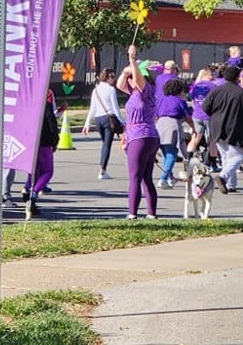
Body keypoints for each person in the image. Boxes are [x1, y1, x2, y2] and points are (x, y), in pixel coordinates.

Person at [115, 45, 160, 220]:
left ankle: (132, 213)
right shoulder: (135, 92)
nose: (130, 81)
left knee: (135, 177)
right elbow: (119, 84)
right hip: (148, 136)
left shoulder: (144, 90)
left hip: (140, 136)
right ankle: (151, 213)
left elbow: (140, 81)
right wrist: (126, 72)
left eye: (132, 78)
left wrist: (132, 61)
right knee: (145, 177)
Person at [203, 64, 243, 194]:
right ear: (236, 78)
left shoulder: (216, 91)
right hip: (235, 127)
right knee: (239, 156)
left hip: (217, 127)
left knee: (226, 157)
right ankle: (223, 177)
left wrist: (216, 114)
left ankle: (230, 184)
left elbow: (205, 106)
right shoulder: (242, 93)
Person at [82, 68, 124, 180]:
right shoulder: (111, 90)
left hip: (98, 119)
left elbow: (92, 108)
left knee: (105, 144)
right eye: (111, 77)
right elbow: (115, 108)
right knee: (107, 145)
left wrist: (87, 124)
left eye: (114, 76)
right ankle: (103, 170)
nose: (113, 79)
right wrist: (122, 122)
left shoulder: (95, 90)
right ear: (106, 77)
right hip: (108, 118)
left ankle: (103, 167)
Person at [23, 89, 60, 217]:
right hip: (44, 142)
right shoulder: (46, 106)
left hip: (30, 141)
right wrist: (55, 140)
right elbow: (51, 123)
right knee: (48, 171)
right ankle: (33, 194)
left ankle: (27, 188)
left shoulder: (28, 105)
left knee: (35, 169)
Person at [156, 78, 195, 188]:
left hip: (160, 125)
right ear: (179, 90)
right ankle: (163, 178)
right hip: (172, 125)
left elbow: (156, 114)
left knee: (166, 153)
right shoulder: (180, 101)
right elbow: (188, 117)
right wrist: (194, 128)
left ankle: (170, 177)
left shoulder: (161, 100)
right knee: (172, 154)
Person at [187, 67, 220, 171]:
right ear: (209, 74)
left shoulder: (196, 86)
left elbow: (192, 99)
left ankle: (188, 160)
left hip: (197, 115)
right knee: (212, 140)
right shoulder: (213, 86)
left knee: (195, 138)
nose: (214, 76)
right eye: (213, 74)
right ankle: (212, 163)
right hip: (209, 116)